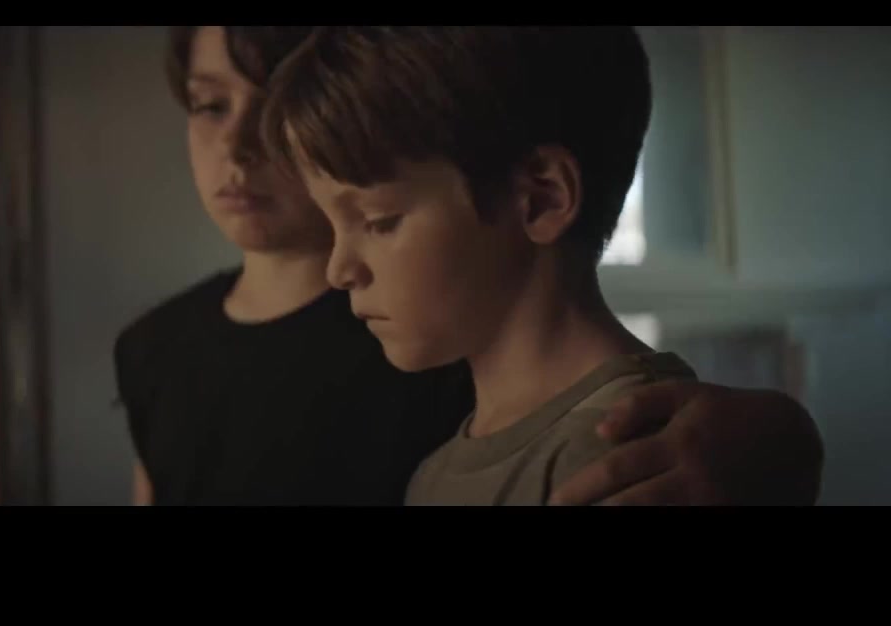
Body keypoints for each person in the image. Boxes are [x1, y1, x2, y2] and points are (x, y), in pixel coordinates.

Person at [113, 25, 824, 506]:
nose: (341, 268)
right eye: (209, 104)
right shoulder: (438, 448)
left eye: (377, 221)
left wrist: (785, 437)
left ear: (542, 197)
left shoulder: (625, 455)